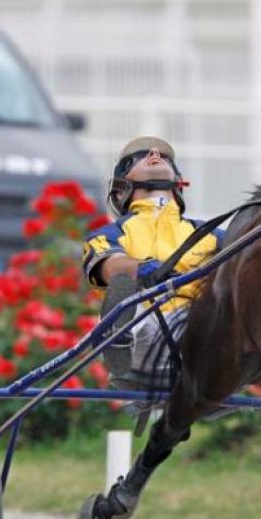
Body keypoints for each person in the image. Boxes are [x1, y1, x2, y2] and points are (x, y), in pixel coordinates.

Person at [82, 136, 223, 389]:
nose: (155, 153)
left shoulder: (212, 234)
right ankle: (120, 342)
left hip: (201, 333)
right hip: (148, 328)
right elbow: (108, 265)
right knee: (127, 292)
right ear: (120, 188)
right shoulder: (108, 235)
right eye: (139, 157)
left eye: (163, 156)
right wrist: (141, 268)